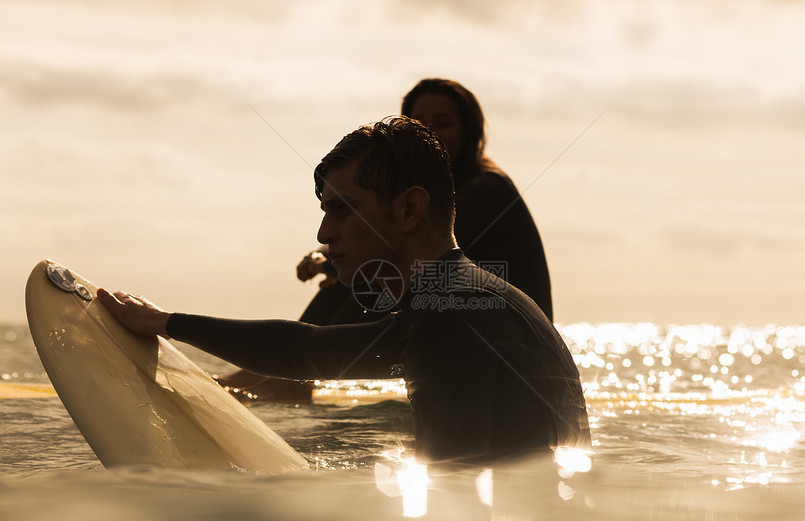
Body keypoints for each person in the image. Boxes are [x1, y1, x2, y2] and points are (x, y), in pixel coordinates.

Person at [97, 117, 590, 465]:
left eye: (343, 210)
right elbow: (311, 351)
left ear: (409, 210)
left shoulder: (453, 320)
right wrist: (166, 324)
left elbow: (457, 504)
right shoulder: (460, 299)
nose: (323, 234)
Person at [217, 78, 554, 401]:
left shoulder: (484, 189)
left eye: (444, 123)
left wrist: (334, 266)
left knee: (365, 276)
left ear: (470, 134)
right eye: (419, 124)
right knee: (355, 276)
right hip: (456, 320)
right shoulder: (424, 192)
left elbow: (403, 243)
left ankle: (286, 378)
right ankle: (279, 376)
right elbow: (381, 234)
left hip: (505, 339)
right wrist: (327, 256)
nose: (431, 134)